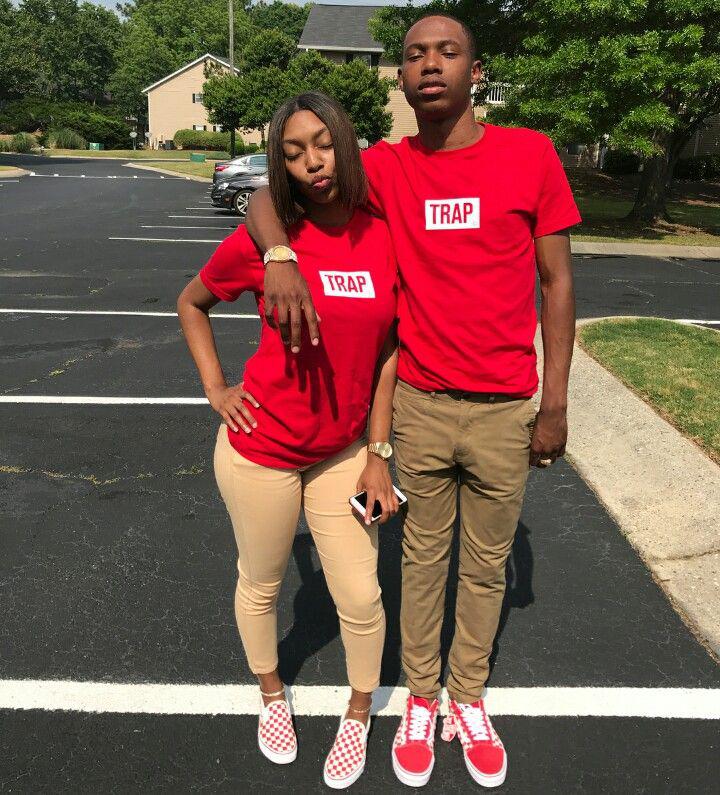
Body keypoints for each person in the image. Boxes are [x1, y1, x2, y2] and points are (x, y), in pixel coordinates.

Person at [245, 13, 581, 789]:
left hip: (505, 405)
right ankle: (422, 698)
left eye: (447, 51)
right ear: (400, 77)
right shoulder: (389, 167)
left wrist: (556, 400)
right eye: (413, 55)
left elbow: (558, 281)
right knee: (423, 560)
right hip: (422, 401)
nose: (429, 64)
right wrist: (280, 252)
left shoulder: (529, 156)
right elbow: (273, 190)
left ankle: (468, 696)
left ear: (476, 69)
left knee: (488, 565)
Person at [177, 92, 400, 790]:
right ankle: (273, 692)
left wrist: (378, 452)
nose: (312, 162)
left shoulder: (381, 229)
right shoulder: (271, 239)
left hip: (341, 453)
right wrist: (217, 391)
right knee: (262, 582)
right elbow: (192, 303)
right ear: (282, 162)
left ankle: (359, 712)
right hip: (260, 451)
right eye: (294, 151)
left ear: (346, 141)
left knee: (360, 596)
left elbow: (391, 346)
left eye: (323, 143)